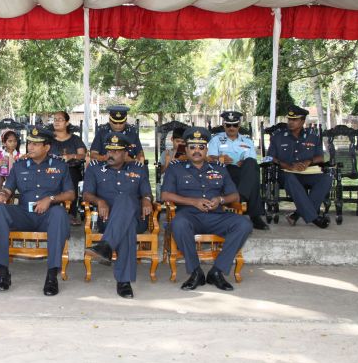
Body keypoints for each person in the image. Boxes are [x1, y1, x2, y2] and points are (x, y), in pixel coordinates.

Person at [161, 127, 253, 291]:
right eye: (192, 147)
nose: (197, 151)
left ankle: (217, 271)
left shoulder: (219, 168)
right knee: (178, 223)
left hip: (216, 216)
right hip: (189, 216)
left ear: (206, 149)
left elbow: (235, 196)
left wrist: (220, 200)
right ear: (186, 149)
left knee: (244, 224)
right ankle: (195, 272)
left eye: (201, 147)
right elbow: (165, 195)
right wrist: (193, 201)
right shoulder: (175, 168)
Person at [0, 126, 75, 296]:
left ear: (47, 147)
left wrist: (50, 199)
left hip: (48, 216)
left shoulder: (60, 165)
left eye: (36, 144)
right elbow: (8, 188)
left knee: (59, 213)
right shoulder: (19, 165)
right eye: (29, 143)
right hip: (24, 214)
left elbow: (71, 194)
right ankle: (3, 272)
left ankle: (52, 276)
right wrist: (2, 195)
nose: (30, 147)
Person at [83, 132, 153, 298]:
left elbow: (147, 193)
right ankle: (124, 281)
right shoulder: (95, 168)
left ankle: (105, 245)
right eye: (108, 150)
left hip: (137, 218)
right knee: (127, 227)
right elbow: (86, 195)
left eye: (115, 151)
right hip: (107, 220)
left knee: (125, 199)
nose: (110, 154)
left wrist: (147, 199)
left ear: (125, 153)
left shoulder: (138, 168)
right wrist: (99, 201)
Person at [267, 105, 332, 228]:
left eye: (294, 120)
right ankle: (314, 218)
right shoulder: (278, 137)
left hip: (307, 173)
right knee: (290, 178)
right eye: (289, 119)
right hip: (286, 174)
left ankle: (296, 215)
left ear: (302, 121)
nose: (290, 122)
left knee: (326, 178)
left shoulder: (312, 136)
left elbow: (321, 157)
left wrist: (308, 161)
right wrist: (288, 166)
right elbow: (269, 158)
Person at [208, 111, 268, 230]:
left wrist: (244, 162)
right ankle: (255, 215)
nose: (231, 128)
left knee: (251, 164)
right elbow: (209, 158)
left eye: (234, 125)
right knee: (253, 180)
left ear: (239, 125)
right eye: (228, 125)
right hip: (225, 172)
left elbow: (252, 160)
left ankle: (239, 197)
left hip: (242, 173)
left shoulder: (247, 141)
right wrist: (220, 158)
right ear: (224, 125)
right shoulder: (216, 139)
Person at [49, 111, 86, 225]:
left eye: (60, 119)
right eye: (55, 119)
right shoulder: (48, 139)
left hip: (71, 169)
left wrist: (71, 156)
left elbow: (83, 155)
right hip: (50, 169)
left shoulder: (75, 139)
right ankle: (50, 210)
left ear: (67, 123)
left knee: (72, 175)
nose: (56, 122)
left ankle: (71, 214)